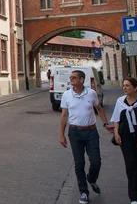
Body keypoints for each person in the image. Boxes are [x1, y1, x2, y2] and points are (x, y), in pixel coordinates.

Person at [59, 70, 113, 204]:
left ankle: (92, 178)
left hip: (91, 132)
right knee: (79, 163)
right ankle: (84, 191)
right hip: (74, 132)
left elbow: (99, 109)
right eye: (70, 77)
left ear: (82, 80)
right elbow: (64, 115)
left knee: (96, 161)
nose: (71, 80)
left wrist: (105, 124)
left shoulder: (91, 93)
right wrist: (61, 134)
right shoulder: (66, 95)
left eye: (74, 78)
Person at [110, 77, 137, 204]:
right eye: (124, 85)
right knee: (131, 165)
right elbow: (116, 119)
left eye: (127, 85)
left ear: (135, 88)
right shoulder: (120, 101)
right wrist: (116, 133)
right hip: (126, 138)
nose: (124, 88)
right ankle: (134, 197)